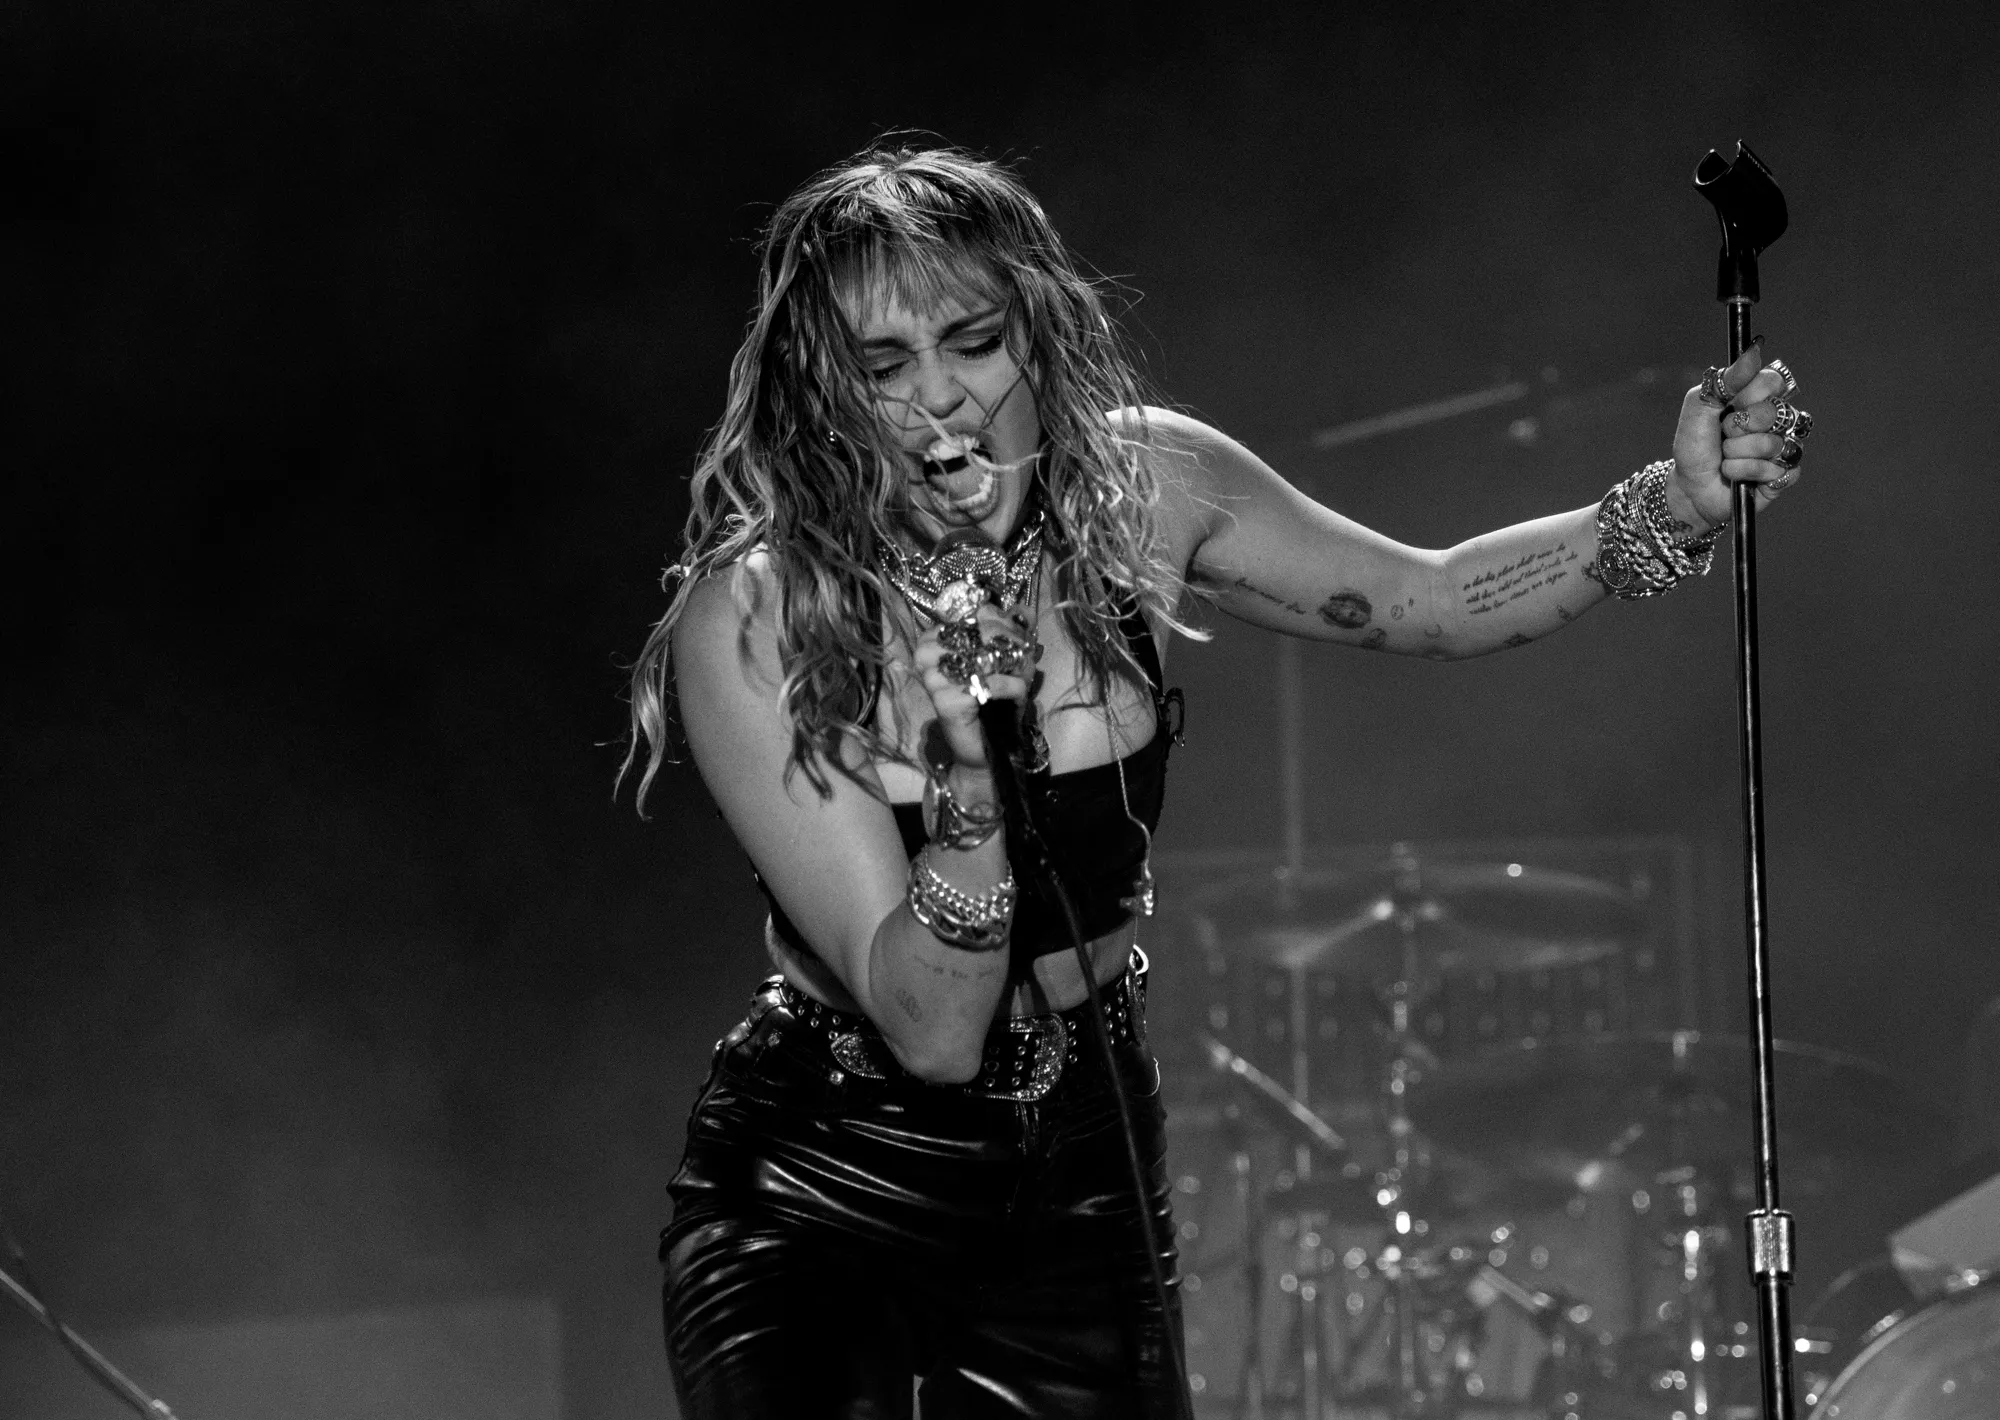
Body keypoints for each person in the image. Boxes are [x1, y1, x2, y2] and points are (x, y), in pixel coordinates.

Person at [624, 143, 1810, 1419]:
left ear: (1035, 327)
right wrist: (969, 772)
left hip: (1083, 1159)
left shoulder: (1143, 488)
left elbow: (1428, 597)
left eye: (971, 342)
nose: (938, 400)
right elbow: (931, 1030)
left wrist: (1675, 504)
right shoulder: (761, 615)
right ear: (821, 387)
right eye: (882, 367)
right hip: (824, 1175)